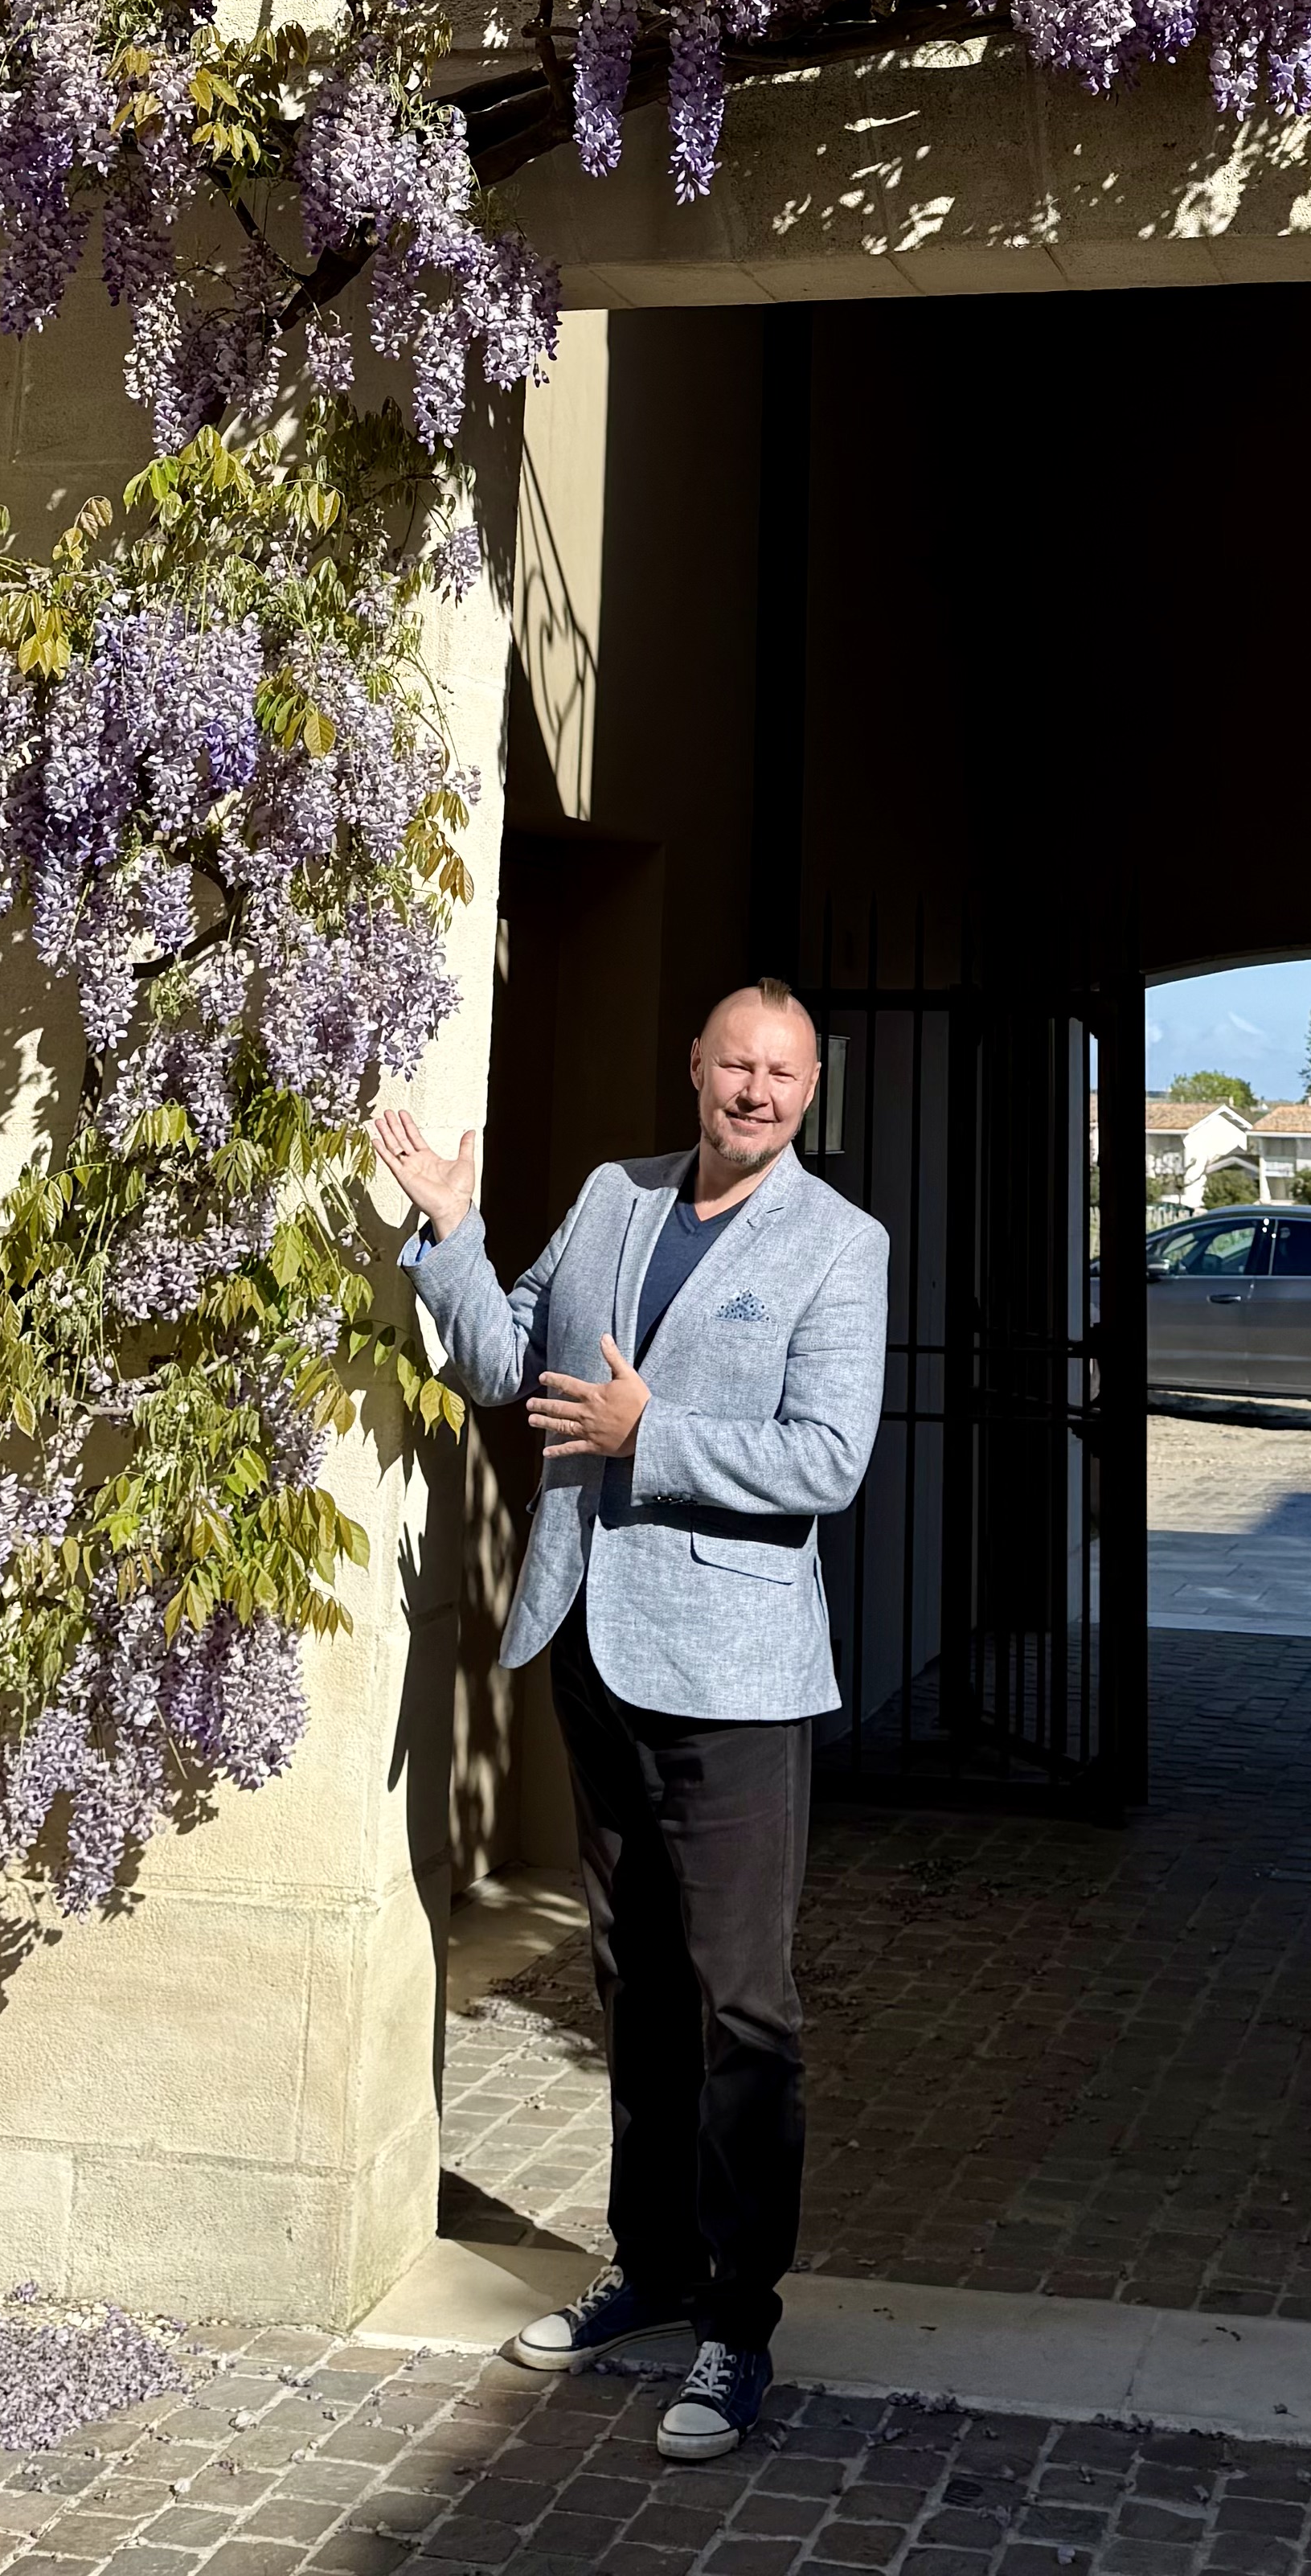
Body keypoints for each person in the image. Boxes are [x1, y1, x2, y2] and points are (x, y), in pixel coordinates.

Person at [371, 978, 888, 2467]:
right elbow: (494, 1364)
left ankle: (738, 2321)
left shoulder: (838, 1247)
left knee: (743, 2003)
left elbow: (829, 1459)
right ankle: (649, 2267)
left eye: (784, 1074)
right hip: (592, 1645)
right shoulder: (613, 1198)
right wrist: (453, 1230)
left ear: (808, 1090)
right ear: (696, 1067)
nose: (758, 1092)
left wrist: (646, 1435)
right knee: (635, 1980)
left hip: (735, 1678)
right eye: (738, 1064)